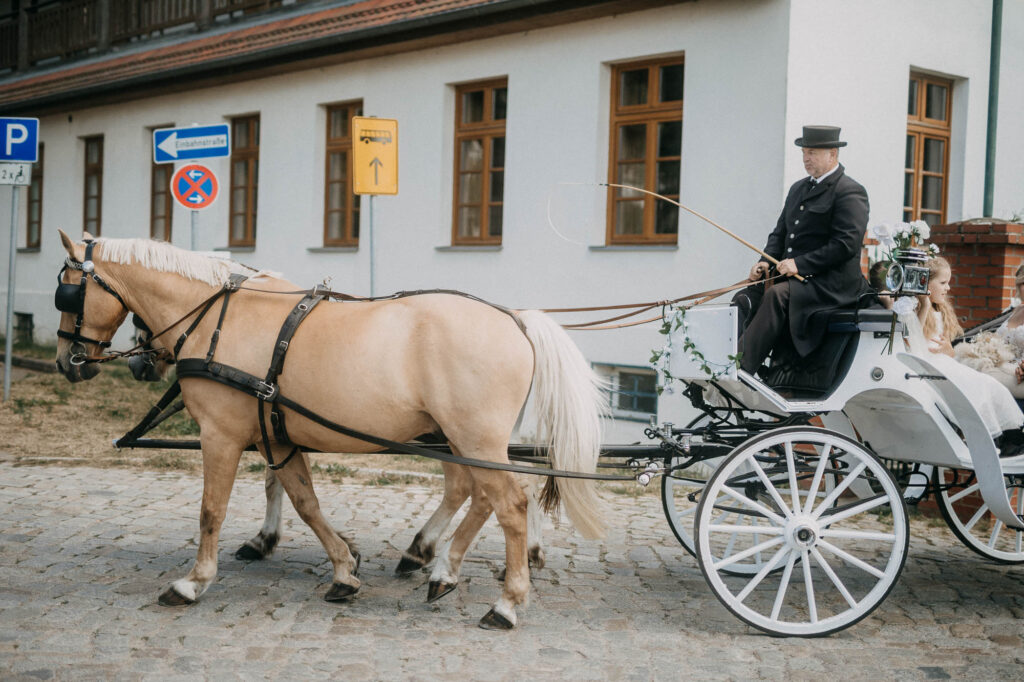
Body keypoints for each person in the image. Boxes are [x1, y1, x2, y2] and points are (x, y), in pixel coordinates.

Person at [734, 125, 870, 374]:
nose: (807, 158)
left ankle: (741, 369)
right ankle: (726, 359)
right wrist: (765, 261)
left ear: (833, 155)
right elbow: (780, 234)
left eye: (813, 153)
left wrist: (799, 264)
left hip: (832, 285)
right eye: (805, 152)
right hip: (796, 281)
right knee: (745, 297)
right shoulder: (798, 188)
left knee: (777, 296)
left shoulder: (849, 191)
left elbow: (846, 244)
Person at [905, 257, 1023, 437]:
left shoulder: (939, 310)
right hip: (931, 361)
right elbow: (914, 341)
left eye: (948, 283)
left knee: (985, 384)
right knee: (979, 381)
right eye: (943, 283)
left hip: (1011, 372)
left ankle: (1001, 434)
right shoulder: (917, 308)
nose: (948, 288)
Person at [955, 263, 1024, 398]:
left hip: (1017, 377)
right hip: (1000, 367)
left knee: (981, 376)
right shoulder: (1015, 310)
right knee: (960, 362)